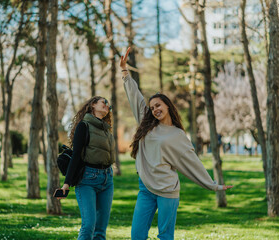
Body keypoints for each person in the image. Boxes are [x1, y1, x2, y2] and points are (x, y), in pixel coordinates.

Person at [120, 47, 233, 240]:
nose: (155, 109)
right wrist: (124, 71)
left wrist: (213, 185)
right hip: (145, 187)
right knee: (137, 235)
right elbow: (134, 94)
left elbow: (192, 161)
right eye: (152, 107)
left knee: (165, 235)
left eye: (158, 105)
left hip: (168, 189)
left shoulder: (178, 134)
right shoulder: (147, 124)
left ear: (167, 106)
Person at [60, 96, 115, 240]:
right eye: (104, 102)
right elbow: (76, 154)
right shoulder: (83, 126)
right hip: (87, 180)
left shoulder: (106, 129)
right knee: (88, 226)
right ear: (92, 105)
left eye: (108, 104)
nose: (107, 105)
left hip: (107, 180)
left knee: (100, 230)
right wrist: (67, 183)